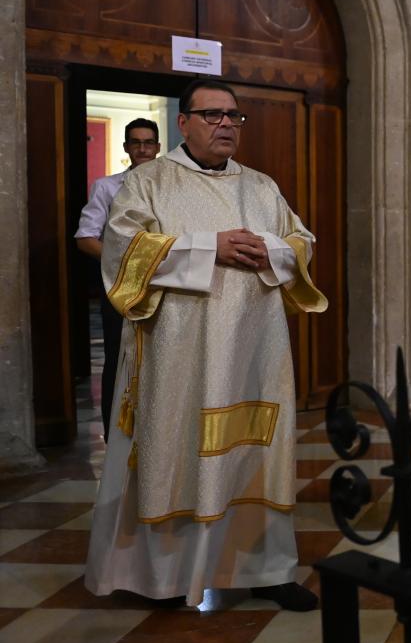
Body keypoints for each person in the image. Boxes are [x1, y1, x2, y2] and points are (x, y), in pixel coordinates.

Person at [84, 79, 327, 611]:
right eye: (213, 115)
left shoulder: (261, 186)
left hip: (253, 354)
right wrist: (208, 248)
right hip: (180, 355)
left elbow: (301, 243)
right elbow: (122, 252)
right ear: (184, 123)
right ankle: (167, 579)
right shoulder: (148, 182)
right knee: (176, 454)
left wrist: (272, 250)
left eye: (234, 116)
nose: (226, 125)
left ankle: (265, 569)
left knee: (255, 456)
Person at [74, 118, 161, 440]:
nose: (142, 149)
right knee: (119, 358)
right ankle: (116, 440)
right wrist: (128, 265)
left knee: (163, 358)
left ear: (158, 147)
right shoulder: (107, 187)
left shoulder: (172, 187)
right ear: (126, 147)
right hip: (121, 286)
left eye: (148, 142)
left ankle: (159, 437)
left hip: (166, 286)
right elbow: (85, 238)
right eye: (136, 142)